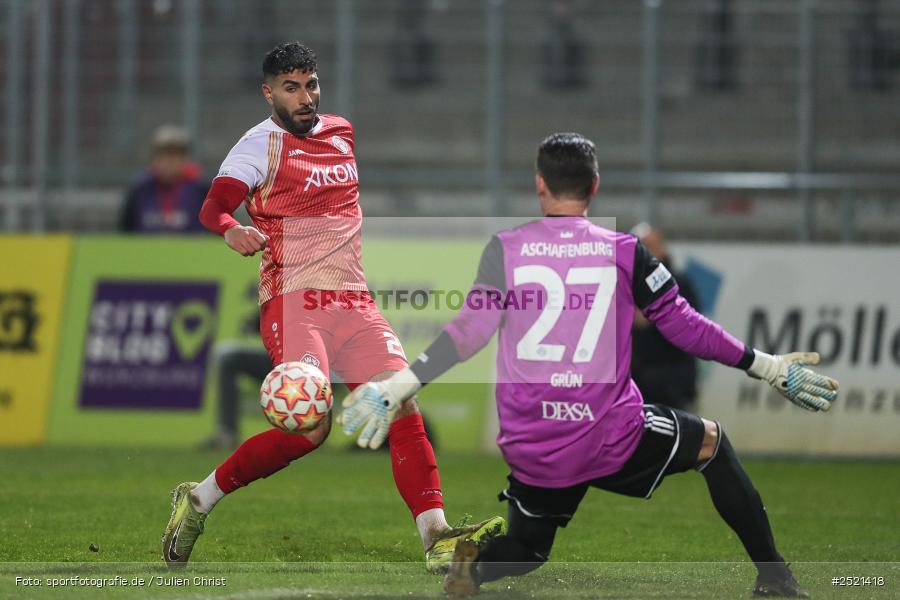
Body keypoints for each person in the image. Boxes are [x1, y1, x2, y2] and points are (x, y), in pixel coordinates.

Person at [340, 133, 838, 598]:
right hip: (607, 431)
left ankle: (471, 563)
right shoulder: (624, 251)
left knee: (530, 550)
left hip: (533, 442)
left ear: (539, 185)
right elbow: (683, 324)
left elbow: (468, 332)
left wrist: (397, 386)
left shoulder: (506, 250)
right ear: (594, 186)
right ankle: (774, 576)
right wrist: (767, 367)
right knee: (710, 443)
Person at [161, 42, 504, 572]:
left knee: (399, 401)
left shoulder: (340, 130)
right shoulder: (257, 148)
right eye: (291, 87)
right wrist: (232, 230)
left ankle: (436, 535)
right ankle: (200, 498)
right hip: (294, 301)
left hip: (354, 298)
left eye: (312, 84)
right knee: (312, 430)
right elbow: (212, 207)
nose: (305, 97)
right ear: (268, 91)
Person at [630, 222, 700, 411]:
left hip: (672, 384)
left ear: (662, 250)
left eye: (649, 247)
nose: (643, 253)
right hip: (637, 386)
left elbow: (691, 327)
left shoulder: (679, 284)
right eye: (638, 248)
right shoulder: (624, 286)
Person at [120, 125, 209, 233]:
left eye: (174, 157)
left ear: (185, 159)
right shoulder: (140, 189)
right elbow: (125, 231)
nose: (168, 163)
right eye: (162, 156)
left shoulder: (200, 189)